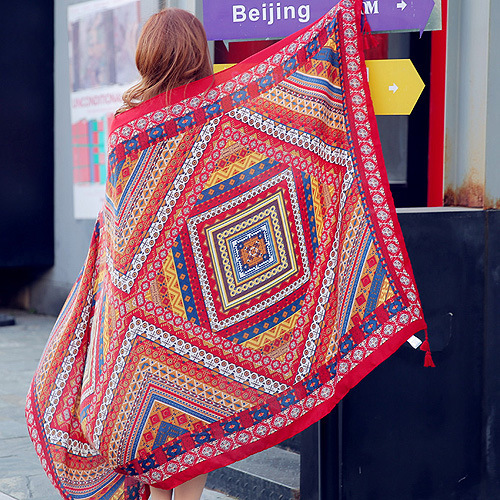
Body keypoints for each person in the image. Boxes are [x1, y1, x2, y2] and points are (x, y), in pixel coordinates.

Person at [116, 8, 213, 500]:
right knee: (198, 427)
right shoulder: (215, 117)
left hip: (144, 305)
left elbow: (119, 220)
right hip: (201, 296)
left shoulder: (124, 126)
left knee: (153, 430)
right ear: (199, 53)